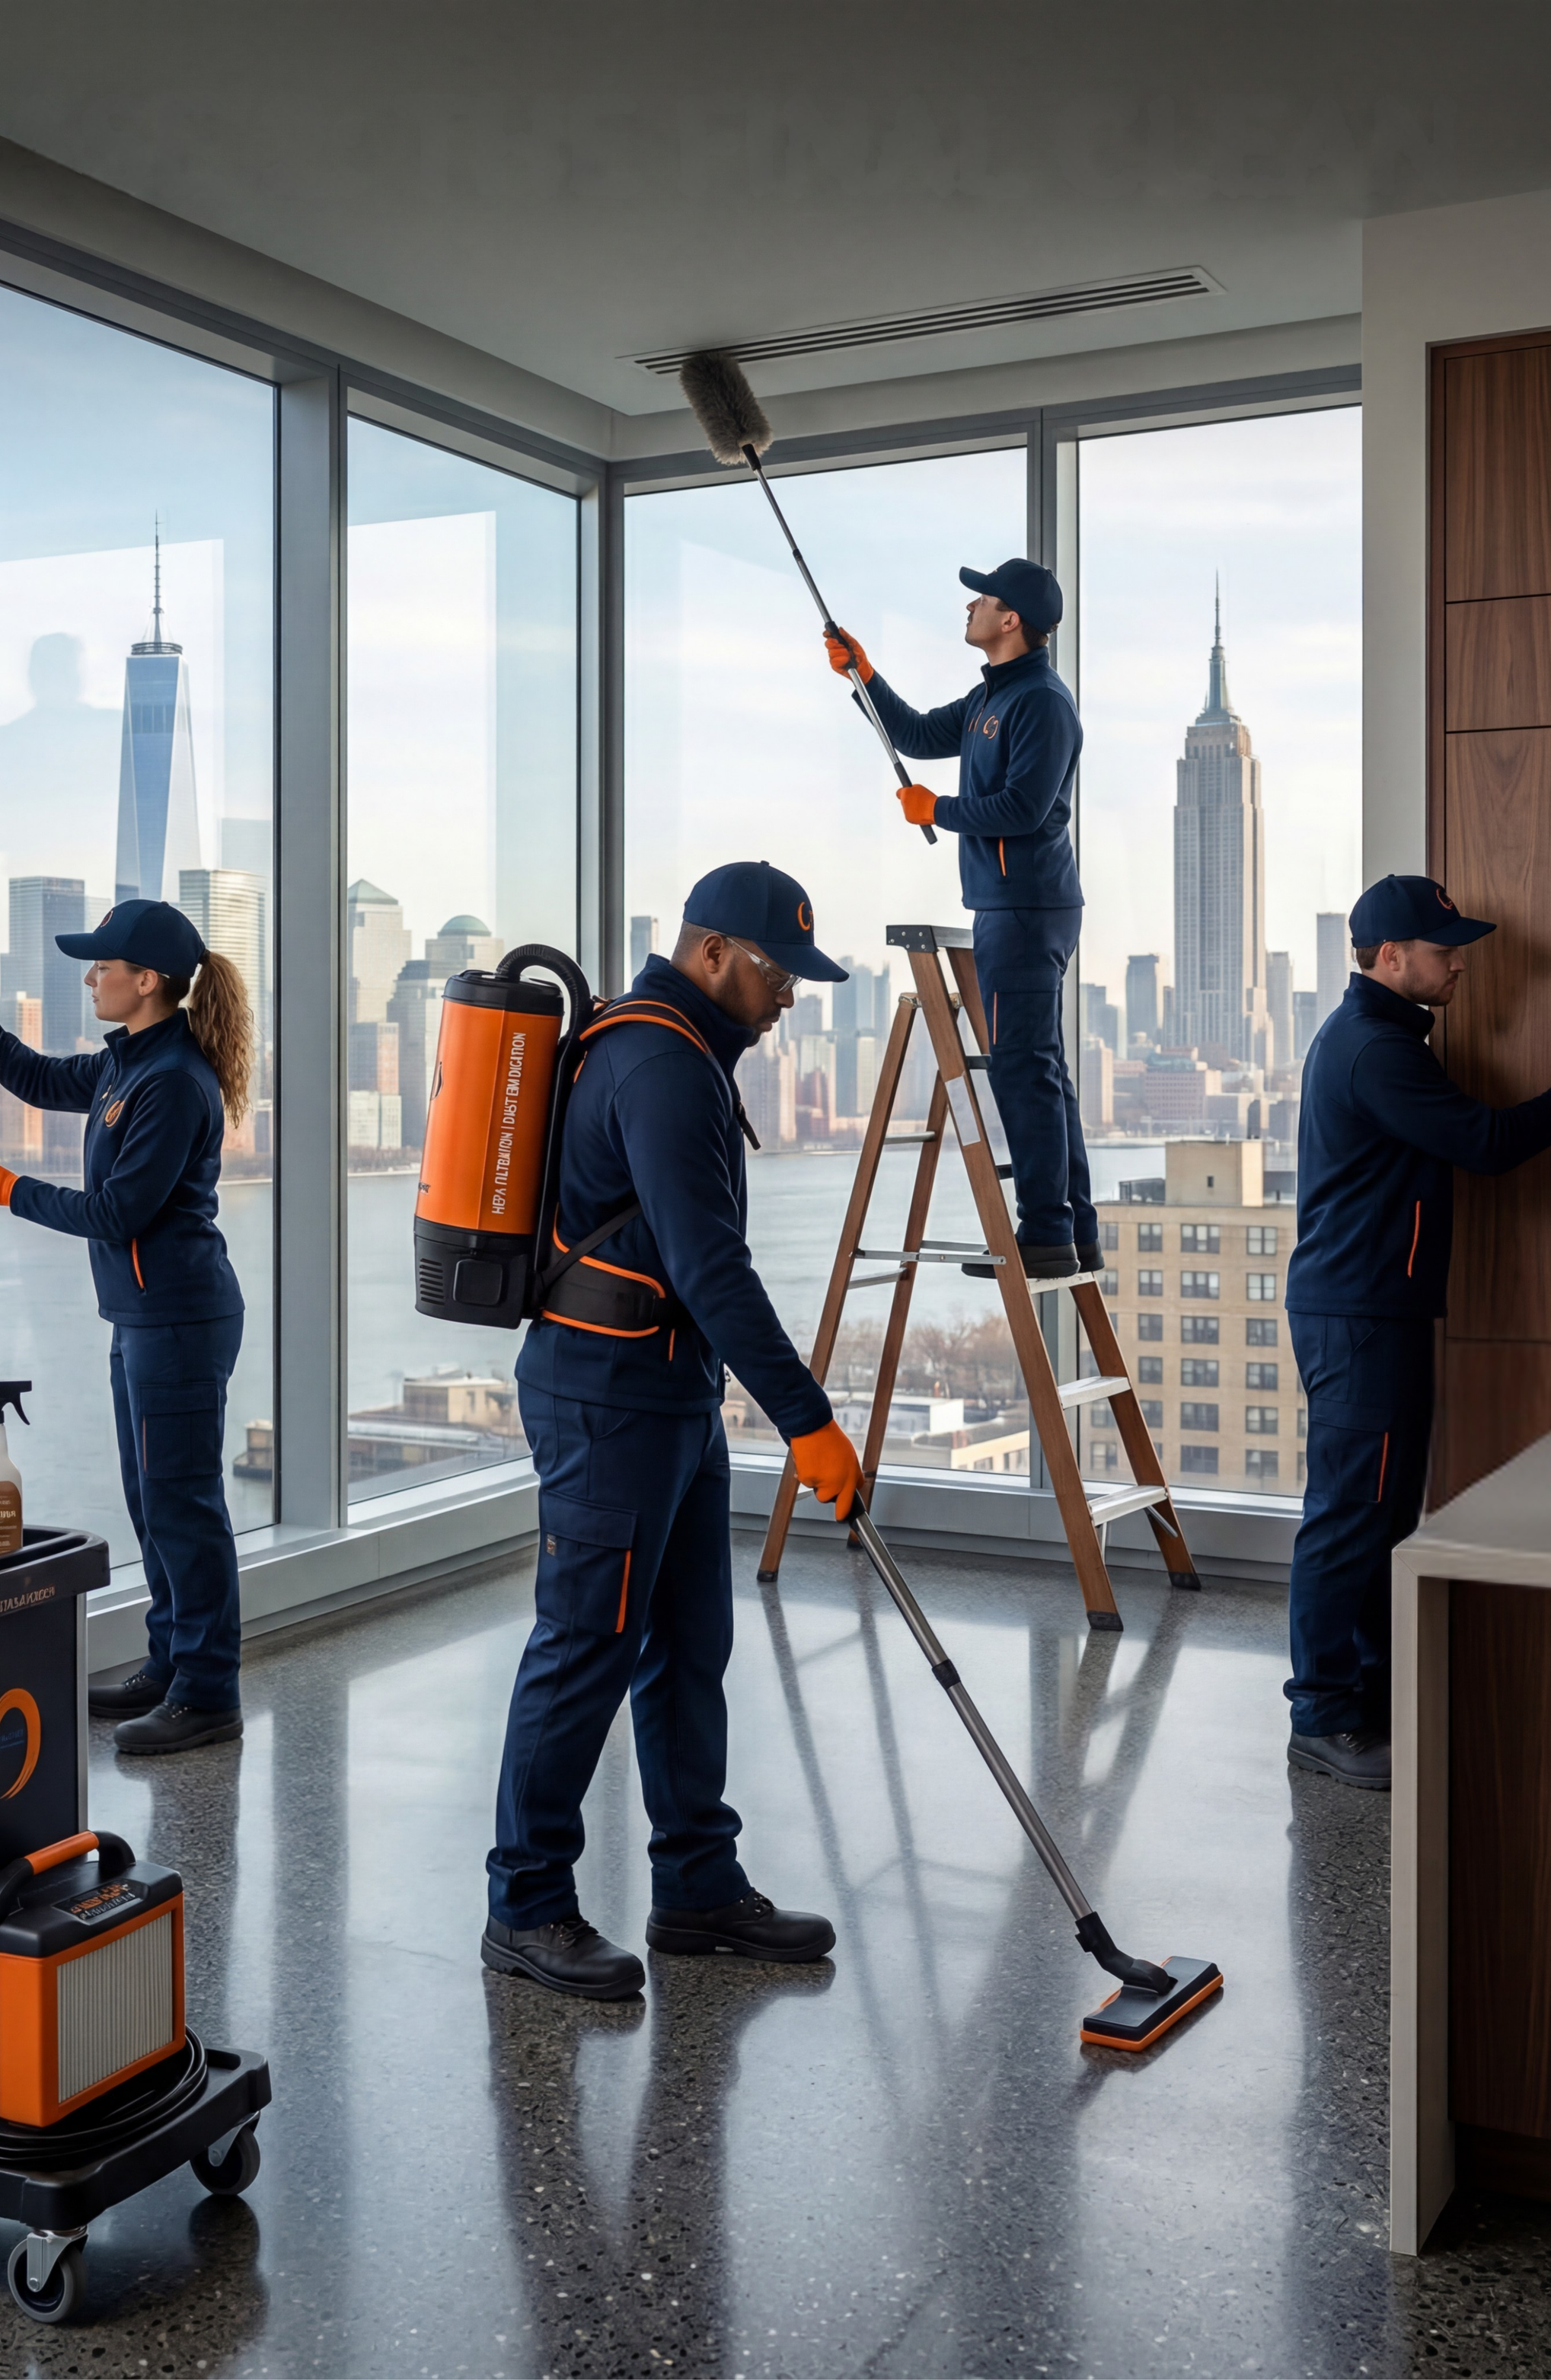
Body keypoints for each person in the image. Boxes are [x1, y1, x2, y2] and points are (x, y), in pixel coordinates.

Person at [484, 861, 866, 2001]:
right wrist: (811, 1422)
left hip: (670, 1392)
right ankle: (527, 1905)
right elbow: (711, 1266)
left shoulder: (681, 1053)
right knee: (582, 1647)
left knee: (688, 1644)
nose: (791, 994)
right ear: (710, 955)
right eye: (776, 970)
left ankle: (696, 1884)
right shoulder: (660, 1064)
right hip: (607, 1399)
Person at [1281, 874, 1551, 1791]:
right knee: (1349, 1515)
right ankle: (1320, 1714)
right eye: (1442, 949)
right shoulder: (1373, 1050)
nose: (1457, 962)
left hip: (1373, 1309)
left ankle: (1374, 1695)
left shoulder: (1383, 1038)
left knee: (1383, 1513)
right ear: (1390, 957)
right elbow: (1491, 1145)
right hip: (1359, 1316)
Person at [0, 899, 254, 1757]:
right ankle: (170, 1661)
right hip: (143, 1314)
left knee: (183, 1505)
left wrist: (7, 1187)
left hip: (178, 1317)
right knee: (153, 1499)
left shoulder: (173, 1081)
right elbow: (32, 1077)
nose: (90, 975)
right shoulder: (125, 1064)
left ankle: (208, 1690)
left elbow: (119, 1210)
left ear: (146, 982)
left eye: (102, 965)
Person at [825, 558, 1093, 1279]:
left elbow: (1022, 809)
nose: (970, 605)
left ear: (1012, 620)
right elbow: (911, 732)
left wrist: (934, 811)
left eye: (984, 598)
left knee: (1022, 1069)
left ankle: (1045, 1233)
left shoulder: (1042, 703)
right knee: (1042, 1069)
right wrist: (864, 675)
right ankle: (1076, 1229)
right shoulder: (990, 700)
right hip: (1009, 906)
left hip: (1027, 908)